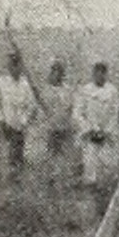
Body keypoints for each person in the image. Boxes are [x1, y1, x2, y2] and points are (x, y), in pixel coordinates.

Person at [72, 62, 119, 217]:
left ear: (106, 74)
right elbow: (77, 113)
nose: (100, 76)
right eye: (97, 73)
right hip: (90, 137)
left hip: (106, 138)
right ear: (93, 74)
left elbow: (115, 113)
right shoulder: (84, 90)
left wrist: (106, 131)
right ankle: (90, 209)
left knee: (107, 172)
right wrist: (89, 128)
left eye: (103, 73)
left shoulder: (112, 91)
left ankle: (107, 209)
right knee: (90, 172)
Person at [0, 50, 39, 184]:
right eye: (11, 65)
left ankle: (14, 183)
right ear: (8, 66)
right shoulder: (0, 83)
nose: (14, 68)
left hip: (18, 129)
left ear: (20, 66)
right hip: (2, 129)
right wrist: (1, 122)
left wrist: (23, 122)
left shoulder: (25, 85)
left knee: (16, 161)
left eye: (17, 64)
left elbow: (32, 106)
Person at [37, 60, 77, 188]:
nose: (57, 75)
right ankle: (50, 178)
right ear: (52, 73)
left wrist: (69, 122)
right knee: (51, 153)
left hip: (65, 126)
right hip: (52, 127)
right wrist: (48, 122)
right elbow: (43, 110)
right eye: (55, 72)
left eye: (60, 72)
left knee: (67, 154)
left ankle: (67, 179)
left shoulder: (67, 90)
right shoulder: (46, 90)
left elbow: (70, 107)